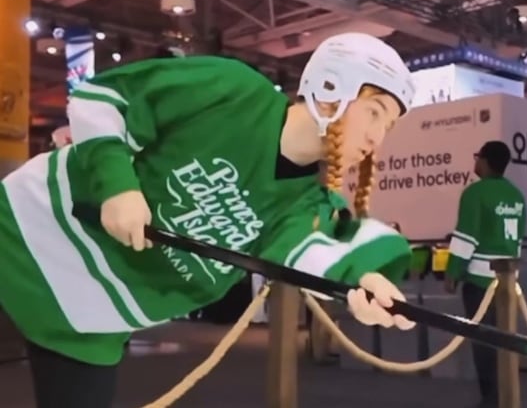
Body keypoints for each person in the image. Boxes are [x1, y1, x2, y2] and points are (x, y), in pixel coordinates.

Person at [0, 32, 418, 408]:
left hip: (86, 322)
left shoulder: (310, 205)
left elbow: (323, 252)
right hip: (19, 236)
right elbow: (107, 98)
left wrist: (366, 283)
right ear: (331, 87)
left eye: (390, 125)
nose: (377, 138)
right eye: (375, 112)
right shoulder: (234, 90)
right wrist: (117, 185)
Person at [444, 141, 526, 408]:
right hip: (509, 280)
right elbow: (518, 241)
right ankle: (507, 394)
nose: (475, 162)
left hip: (479, 281)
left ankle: (491, 398)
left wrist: (452, 272)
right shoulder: (517, 196)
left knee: (484, 342)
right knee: (506, 339)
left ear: (487, 161)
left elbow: (466, 237)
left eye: (477, 157)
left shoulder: (475, 193)